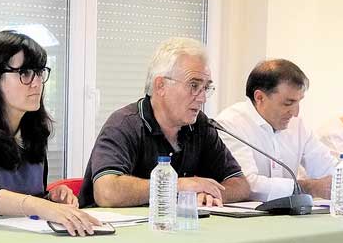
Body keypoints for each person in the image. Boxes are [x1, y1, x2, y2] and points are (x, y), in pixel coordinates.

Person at [0, 31, 99, 236]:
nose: (37, 82)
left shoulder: (34, 129)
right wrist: (40, 206)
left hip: (27, 239)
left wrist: (50, 199)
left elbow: (29, 198)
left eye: (40, 72)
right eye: (24, 73)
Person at [80, 38, 251, 208]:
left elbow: (240, 184)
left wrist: (208, 193)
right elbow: (107, 192)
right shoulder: (124, 124)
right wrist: (179, 186)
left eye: (206, 88)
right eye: (193, 85)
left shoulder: (200, 125)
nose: (202, 98)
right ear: (161, 85)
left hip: (173, 228)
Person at [214, 59, 343, 202]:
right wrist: (306, 187)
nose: (295, 112)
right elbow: (247, 185)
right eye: (288, 103)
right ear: (260, 98)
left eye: (299, 102)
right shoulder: (230, 124)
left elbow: (326, 168)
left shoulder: (297, 125)